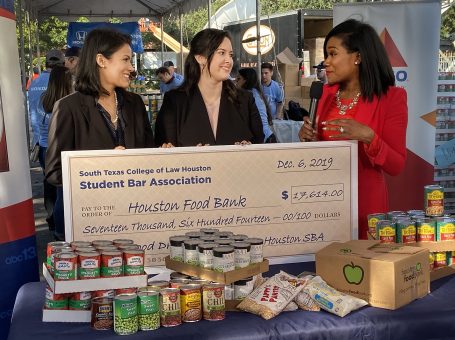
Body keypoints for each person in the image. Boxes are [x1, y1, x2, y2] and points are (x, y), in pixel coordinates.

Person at [298, 19, 408, 240]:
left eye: (332, 54)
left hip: (365, 205)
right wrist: (306, 138)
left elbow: (396, 165)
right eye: (326, 55)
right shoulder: (324, 94)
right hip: (323, 201)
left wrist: (368, 137)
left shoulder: (391, 98)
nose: (326, 62)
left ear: (357, 57)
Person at [45, 28, 155, 240]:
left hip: (136, 218)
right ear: (101, 61)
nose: (131, 68)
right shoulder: (69, 108)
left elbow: (148, 153)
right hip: (91, 225)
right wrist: (103, 167)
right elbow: (54, 172)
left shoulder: (134, 104)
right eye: (125, 59)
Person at [155, 28, 263, 147]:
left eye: (231, 55)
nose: (229, 60)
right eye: (222, 53)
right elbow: (164, 152)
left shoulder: (245, 100)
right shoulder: (174, 102)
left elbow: (259, 147)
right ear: (200, 58)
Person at [28, 49, 64, 231]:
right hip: (59, 140)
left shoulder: (34, 84)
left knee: (48, 179)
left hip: (42, 141)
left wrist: (36, 137)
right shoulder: (60, 82)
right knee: (61, 185)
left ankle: (51, 219)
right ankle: (59, 223)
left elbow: (32, 114)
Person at [236, 67, 276, 143]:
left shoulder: (248, 96)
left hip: (263, 139)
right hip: (267, 137)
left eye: (238, 79)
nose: (236, 82)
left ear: (245, 80)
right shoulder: (256, 93)